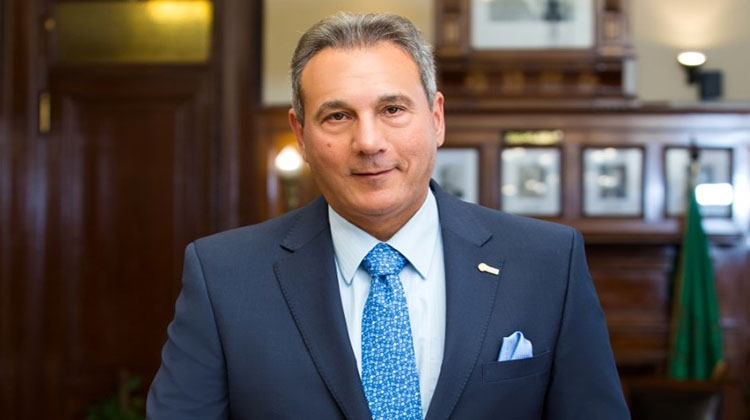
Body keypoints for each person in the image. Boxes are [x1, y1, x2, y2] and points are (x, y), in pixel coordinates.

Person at [147, 12, 630, 420]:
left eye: (393, 109)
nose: (369, 142)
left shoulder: (547, 261)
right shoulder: (224, 276)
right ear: (301, 134)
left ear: (436, 118)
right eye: (338, 116)